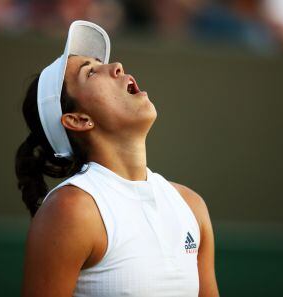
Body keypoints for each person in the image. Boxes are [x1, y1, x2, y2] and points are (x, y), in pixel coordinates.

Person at [15, 20, 219, 297]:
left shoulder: (191, 205)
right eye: (91, 73)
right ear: (78, 119)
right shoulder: (71, 210)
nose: (117, 66)